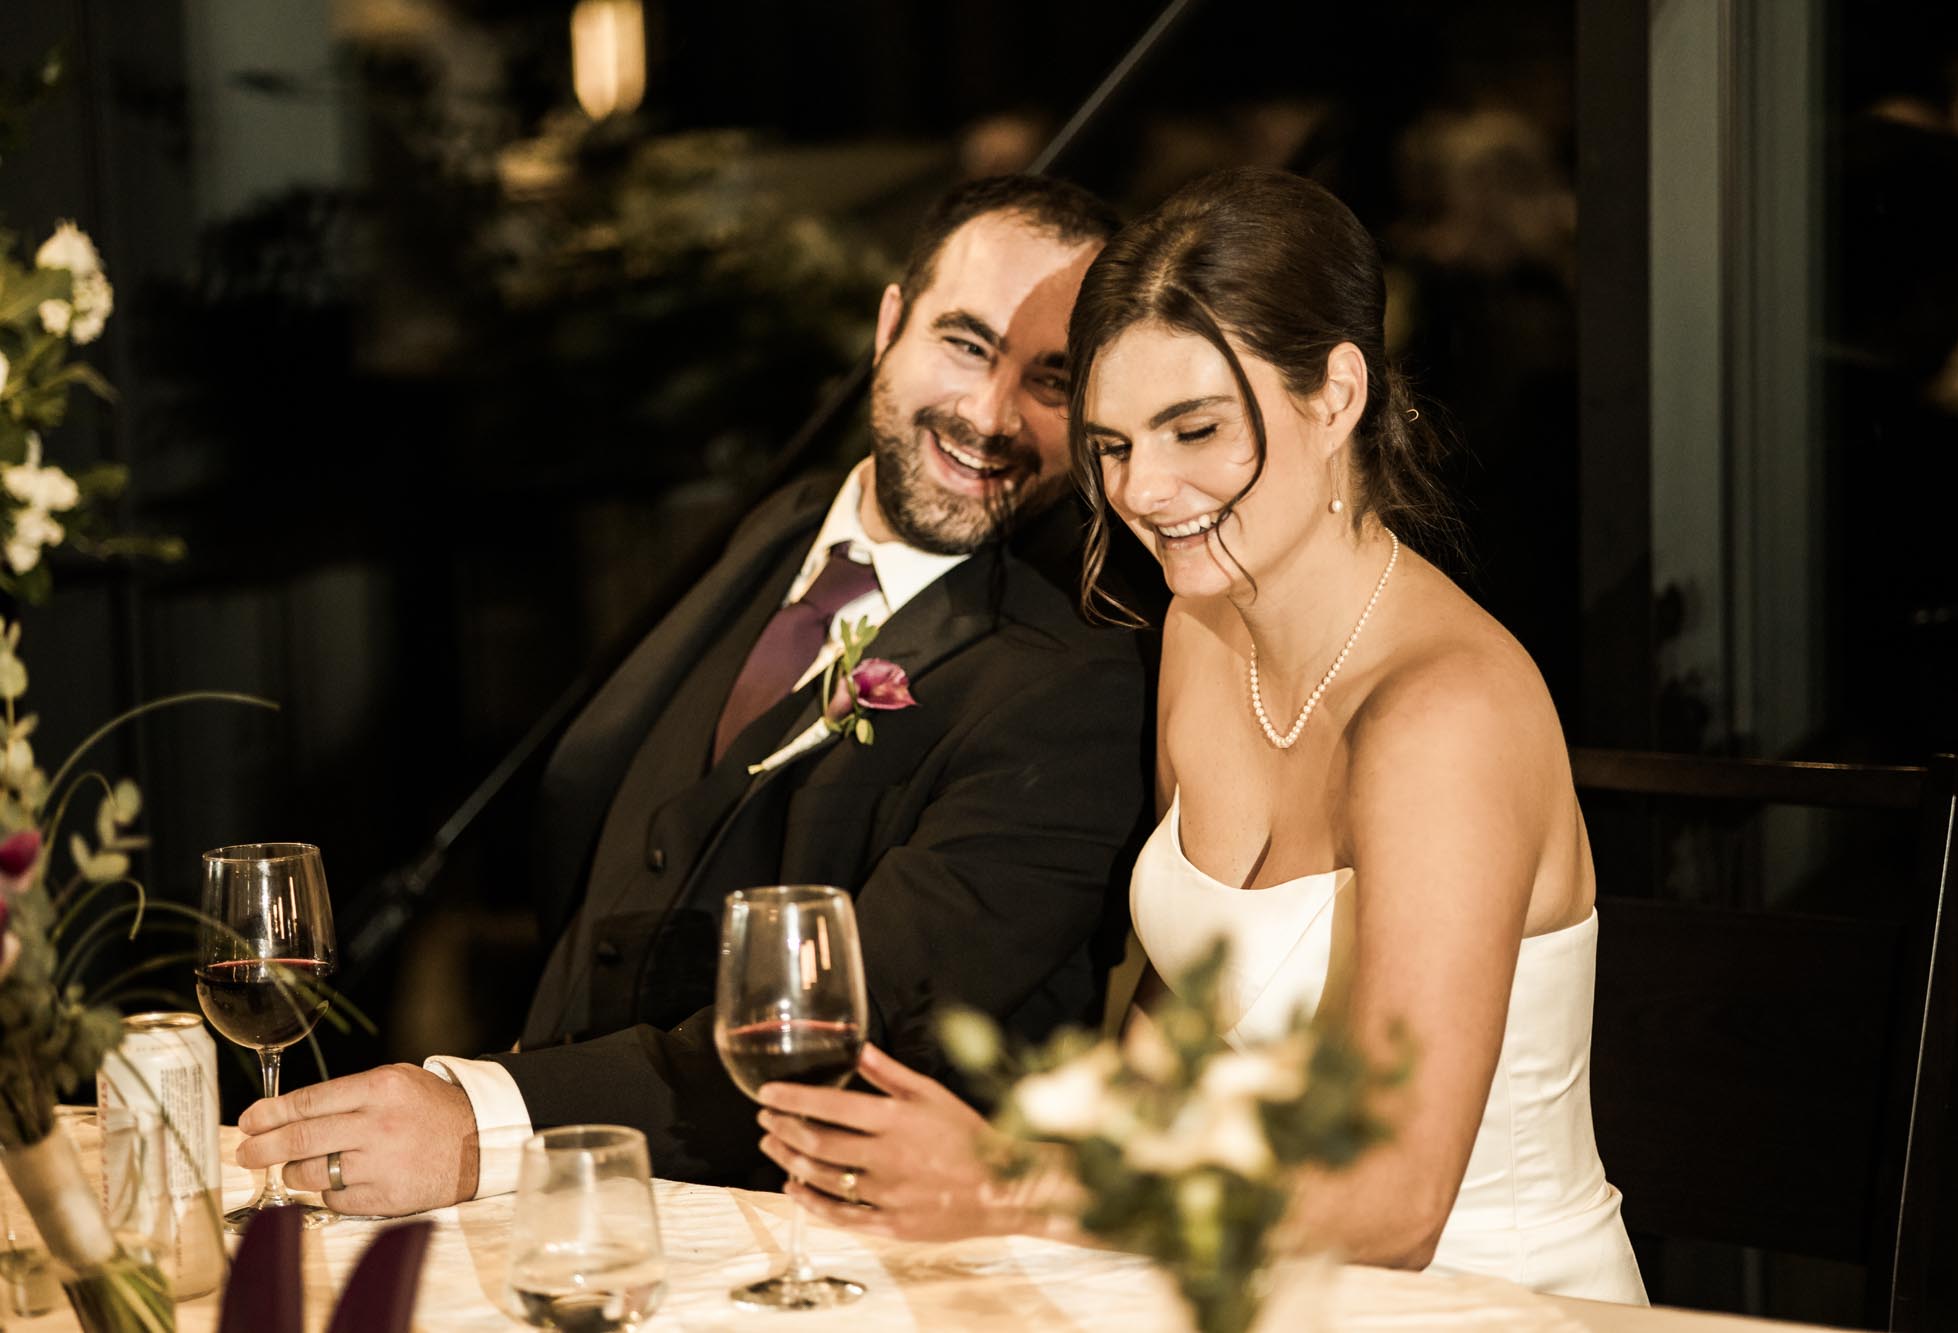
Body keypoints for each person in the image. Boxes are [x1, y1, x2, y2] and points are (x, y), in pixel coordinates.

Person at [753, 167, 1648, 1305]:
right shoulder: (1200, 628)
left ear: (1334, 394)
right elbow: (1182, 1017)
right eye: (1113, 443)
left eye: (1194, 430)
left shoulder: (1443, 713)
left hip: (1471, 1297)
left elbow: (1396, 1204)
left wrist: (1011, 1186)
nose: (1146, 490)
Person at [234, 175, 1156, 1217]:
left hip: (796, 1241)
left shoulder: (1076, 683)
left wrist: (483, 1119)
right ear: (887, 325)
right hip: (566, 1202)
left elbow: (858, 1031)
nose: (988, 416)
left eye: (1049, 380)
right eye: (964, 343)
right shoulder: (780, 522)